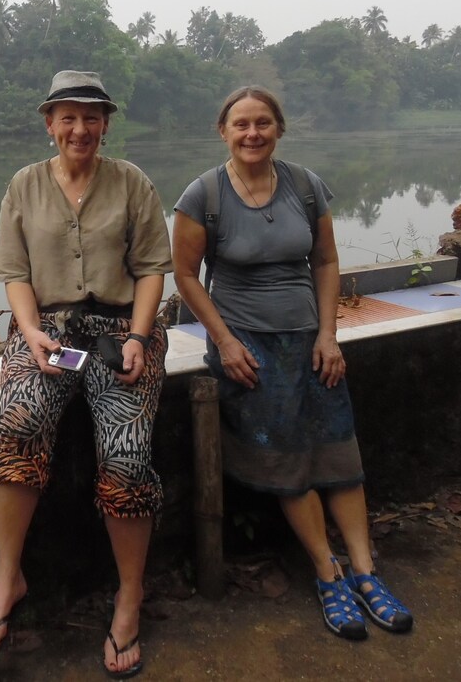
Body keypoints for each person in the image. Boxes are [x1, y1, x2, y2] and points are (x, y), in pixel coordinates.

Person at [171, 86, 413, 641]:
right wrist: (226, 343)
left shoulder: (304, 186)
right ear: (223, 132)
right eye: (241, 125)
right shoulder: (203, 195)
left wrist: (329, 334)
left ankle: (366, 572)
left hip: (310, 339)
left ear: (278, 128)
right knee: (287, 458)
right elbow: (184, 276)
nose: (252, 134)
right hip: (247, 343)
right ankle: (328, 573)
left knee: (338, 448)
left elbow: (325, 259)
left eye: (263, 123)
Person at [0, 70, 173, 679]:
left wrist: (137, 337)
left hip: (119, 332)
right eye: (67, 117)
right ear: (49, 123)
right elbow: (14, 272)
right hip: (47, 330)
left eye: (91, 117)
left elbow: (154, 267)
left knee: (128, 455)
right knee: (17, 427)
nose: (79, 129)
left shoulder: (132, 183)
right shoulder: (23, 186)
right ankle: (8, 581)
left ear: (106, 123)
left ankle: (129, 597)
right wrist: (31, 335)